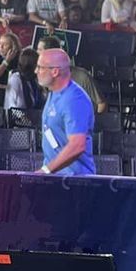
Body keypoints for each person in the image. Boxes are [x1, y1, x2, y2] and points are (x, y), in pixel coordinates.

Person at [37, 47, 95, 176]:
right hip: (56, 177)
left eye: (40, 67)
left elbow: (77, 145)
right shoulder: (53, 93)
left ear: (55, 71)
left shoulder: (74, 100)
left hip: (74, 180)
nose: (36, 71)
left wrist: (46, 170)